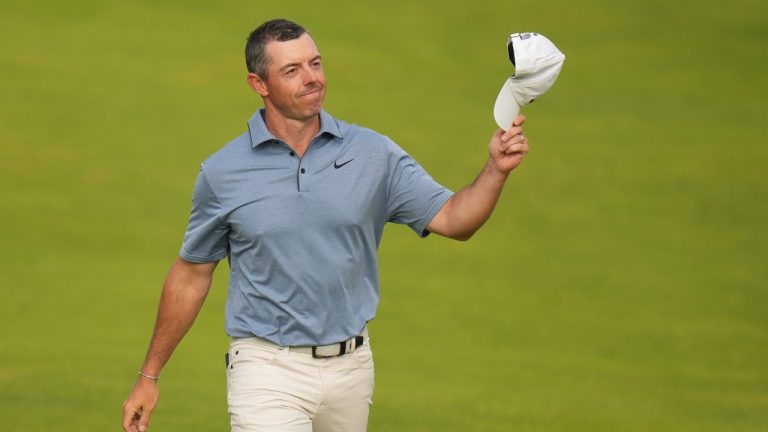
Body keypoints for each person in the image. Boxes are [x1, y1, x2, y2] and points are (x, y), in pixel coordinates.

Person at [122, 18, 529, 432]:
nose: (312, 78)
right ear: (258, 84)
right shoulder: (224, 173)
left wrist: (495, 170)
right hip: (266, 369)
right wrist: (149, 377)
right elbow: (191, 275)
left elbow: (455, 219)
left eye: (315, 64)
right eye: (292, 71)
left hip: (352, 369)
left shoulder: (372, 154)